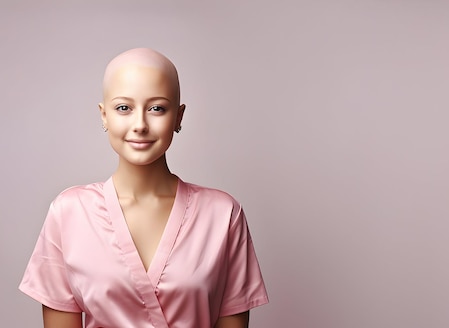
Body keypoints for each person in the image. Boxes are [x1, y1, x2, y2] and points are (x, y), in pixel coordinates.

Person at [19, 48, 269, 328]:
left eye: (157, 108)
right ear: (104, 116)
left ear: (179, 117)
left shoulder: (223, 215)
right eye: (123, 108)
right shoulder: (69, 213)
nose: (140, 125)